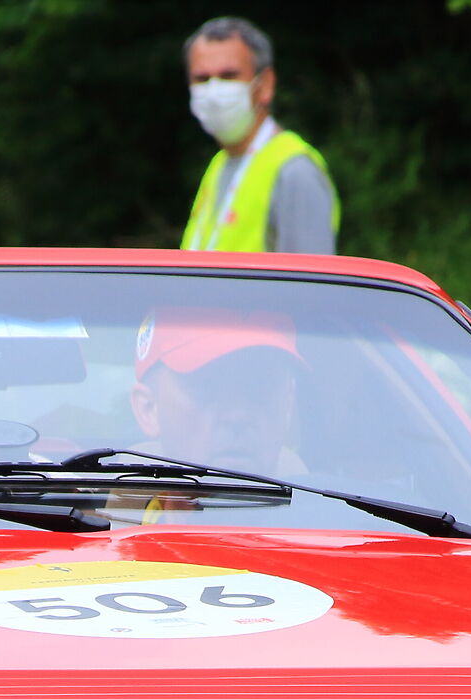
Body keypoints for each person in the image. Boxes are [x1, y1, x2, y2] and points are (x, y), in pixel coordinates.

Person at [180, 17, 338, 255]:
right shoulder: (219, 165)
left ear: (265, 85)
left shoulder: (294, 170)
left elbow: (312, 288)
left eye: (228, 75)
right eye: (202, 78)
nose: (213, 91)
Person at [129, 306, 305, 478]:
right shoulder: (108, 505)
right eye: (206, 389)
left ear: (288, 406)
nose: (237, 416)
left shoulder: (326, 503)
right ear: (149, 409)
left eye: (259, 390)